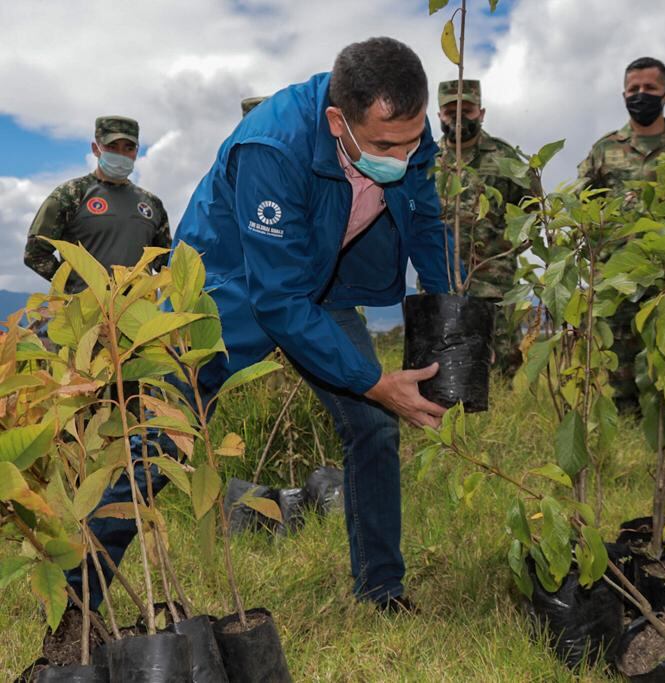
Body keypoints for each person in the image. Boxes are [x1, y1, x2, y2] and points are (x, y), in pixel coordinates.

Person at [73, 37, 454, 614]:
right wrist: (375, 380)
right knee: (157, 446)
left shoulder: (404, 130)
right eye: (384, 147)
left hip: (320, 284)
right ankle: (77, 607)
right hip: (224, 293)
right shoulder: (272, 146)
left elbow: (424, 219)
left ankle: (381, 591)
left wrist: (453, 308)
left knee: (374, 428)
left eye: (411, 141)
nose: (401, 158)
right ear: (336, 120)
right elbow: (276, 300)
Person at [577, 57, 665, 414]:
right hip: (618, 274)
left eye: (650, 89)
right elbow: (583, 203)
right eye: (634, 90)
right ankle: (629, 426)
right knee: (620, 355)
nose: (641, 95)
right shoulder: (604, 150)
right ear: (623, 94)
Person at [435, 79, 541, 373]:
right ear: (439, 116)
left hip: (494, 280)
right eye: (449, 111)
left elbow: (533, 210)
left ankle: (504, 415)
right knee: (443, 361)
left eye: (466, 110)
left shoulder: (505, 159)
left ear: (481, 113)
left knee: (502, 358)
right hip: (439, 277)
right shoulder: (429, 162)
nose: (458, 118)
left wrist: (505, 249)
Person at [23, 116, 171, 293]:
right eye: (112, 147)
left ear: (136, 151)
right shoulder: (71, 194)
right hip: (87, 314)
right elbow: (35, 254)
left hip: (140, 315)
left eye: (128, 148)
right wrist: (72, 287)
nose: (121, 154)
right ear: (96, 148)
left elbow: (165, 263)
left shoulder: (151, 204)